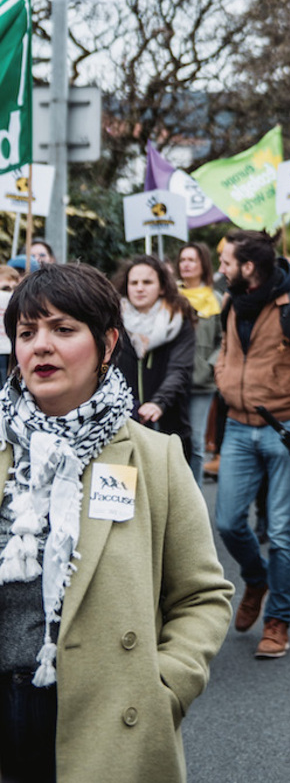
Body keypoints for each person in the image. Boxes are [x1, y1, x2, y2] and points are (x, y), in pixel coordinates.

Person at [0, 263, 231, 783]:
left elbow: (202, 595)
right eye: (26, 332)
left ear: (107, 344)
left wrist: (165, 687)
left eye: (63, 329)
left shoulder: (154, 457)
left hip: (109, 718)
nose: (41, 346)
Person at [214, 230, 290, 660]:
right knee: (228, 522)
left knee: (282, 532)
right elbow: (226, 353)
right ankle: (257, 578)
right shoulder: (231, 301)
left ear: (248, 267)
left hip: (285, 427)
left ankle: (278, 620)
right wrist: (224, 379)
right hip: (238, 426)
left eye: (226, 262)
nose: (220, 268)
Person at [112, 256, 197, 462]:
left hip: (168, 423)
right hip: (122, 425)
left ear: (162, 287)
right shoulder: (113, 320)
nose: (139, 288)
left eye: (147, 282)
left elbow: (180, 369)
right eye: (134, 283)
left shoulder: (178, 319)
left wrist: (159, 403)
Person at [175, 241, 222, 484]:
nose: (186, 264)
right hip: (172, 379)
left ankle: (194, 498)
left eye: (191, 260)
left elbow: (224, 340)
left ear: (203, 264)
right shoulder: (170, 296)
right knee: (170, 440)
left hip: (201, 382)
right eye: (183, 260)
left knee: (195, 441)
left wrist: (210, 366)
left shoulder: (216, 299)